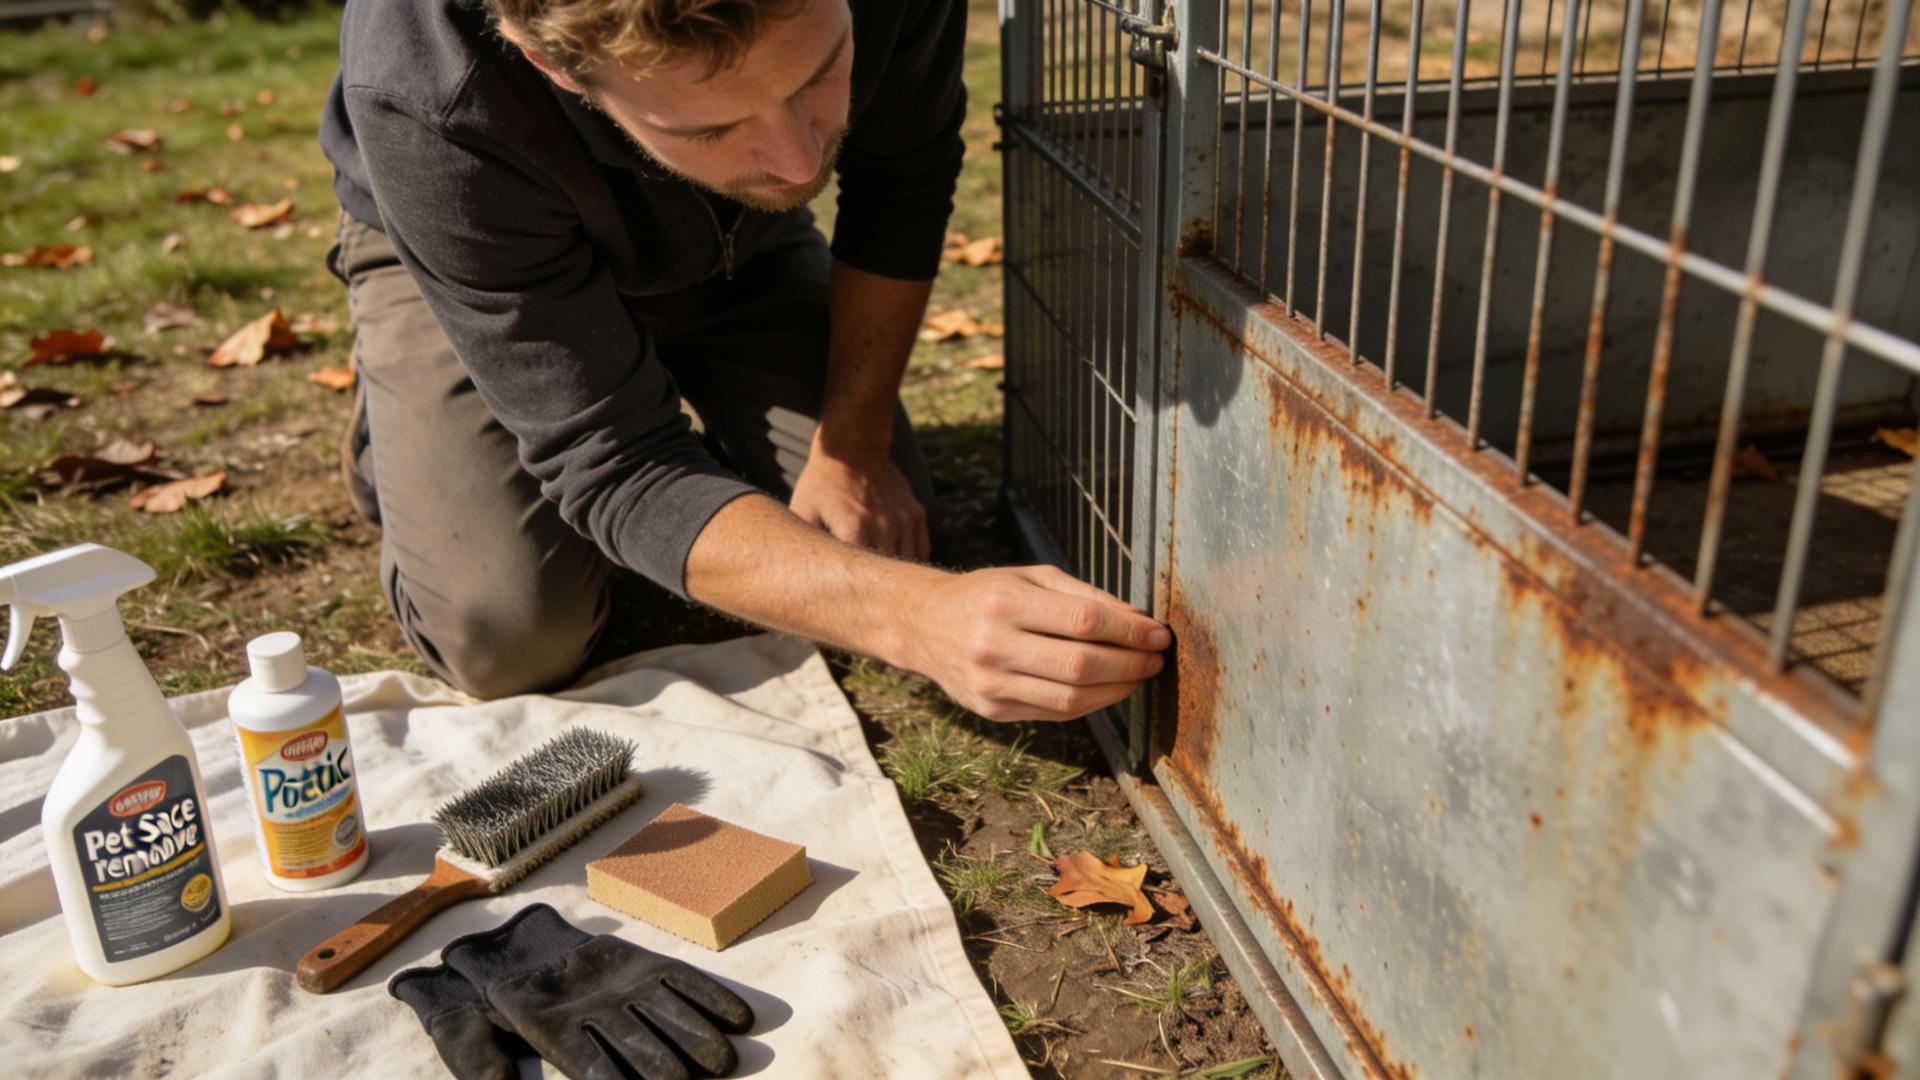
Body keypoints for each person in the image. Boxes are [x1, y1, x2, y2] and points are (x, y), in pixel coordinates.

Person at [319, 0, 1169, 721]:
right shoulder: (425, 86)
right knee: (507, 637)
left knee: (877, 529)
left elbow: (900, 180)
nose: (803, 162)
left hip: (737, 239)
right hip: (479, 245)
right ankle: (402, 421)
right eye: (714, 125)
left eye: (819, 74)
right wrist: (911, 619)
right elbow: (615, 463)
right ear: (553, 65)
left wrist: (855, 444)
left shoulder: (786, 153)